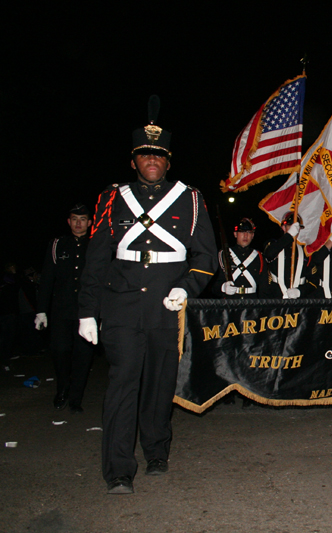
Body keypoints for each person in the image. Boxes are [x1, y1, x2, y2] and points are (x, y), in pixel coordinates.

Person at [78, 97, 217, 494]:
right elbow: (97, 257)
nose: (151, 160)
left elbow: (207, 256)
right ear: (134, 160)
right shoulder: (111, 198)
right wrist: (87, 311)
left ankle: (157, 449)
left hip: (165, 305)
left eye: (158, 154)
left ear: (168, 161)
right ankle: (119, 470)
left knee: (159, 383)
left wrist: (185, 286)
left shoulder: (190, 199)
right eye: (144, 154)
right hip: (121, 303)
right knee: (123, 383)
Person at [35, 203, 96, 412]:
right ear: (68, 222)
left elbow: (104, 280)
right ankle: (62, 389)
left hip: (87, 311)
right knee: (60, 350)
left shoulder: (97, 244)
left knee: (83, 355)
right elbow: (47, 279)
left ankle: (75, 399)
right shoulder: (57, 244)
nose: (78, 223)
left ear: (89, 222)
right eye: (74, 219)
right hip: (61, 310)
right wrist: (41, 310)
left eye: (83, 219)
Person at [213, 218, 270, 299]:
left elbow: (264, 287)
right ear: (235, 234)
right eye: (242, 232)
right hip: (230, 303)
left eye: (249, 232)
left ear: (252, 235)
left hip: (251, 303)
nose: (245, 236)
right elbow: (213, 285)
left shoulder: (259, 256)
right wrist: (223, 287)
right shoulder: (223, 254)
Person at [263, 212, 308, 299]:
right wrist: (289, 235)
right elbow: (269, 254)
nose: (295, 230)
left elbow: (313, 280)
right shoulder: (274, 244)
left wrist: (300, 291)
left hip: (299, 300)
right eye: (290, 226)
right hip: (276, 298)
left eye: (296, 227)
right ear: (283, 227)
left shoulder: (304, 250)